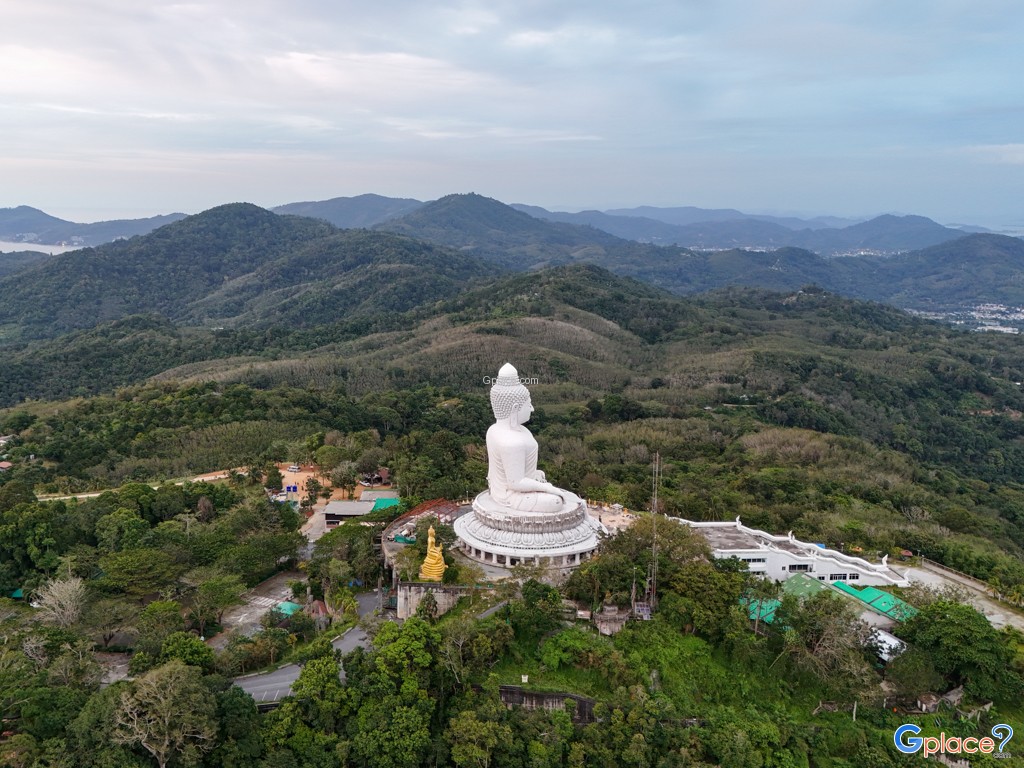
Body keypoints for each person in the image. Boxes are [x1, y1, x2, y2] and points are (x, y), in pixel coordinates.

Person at [486, 363, 579, 514]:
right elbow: (515, 483)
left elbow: (517, 471)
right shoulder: (511, 442)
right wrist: (546, 488)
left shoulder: (495, 430)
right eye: (528, 405)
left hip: (513, 486)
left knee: (565, 498)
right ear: (515, 408)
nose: (532, 408)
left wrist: (534, 474)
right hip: (510, 494)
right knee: (555, 502)